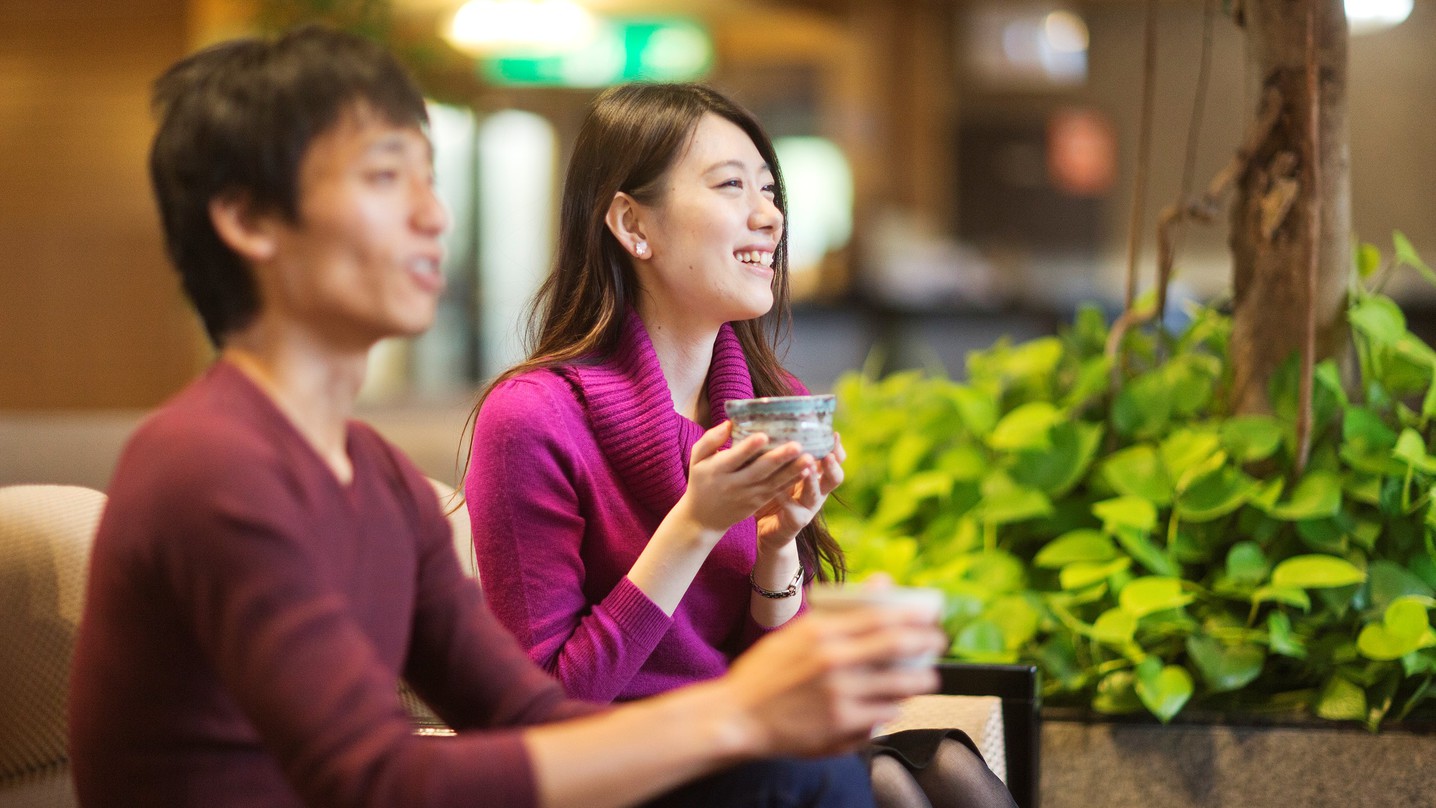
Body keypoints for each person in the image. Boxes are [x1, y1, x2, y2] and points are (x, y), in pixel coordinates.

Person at [65, 26, 947, 808]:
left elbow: (535, 718)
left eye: (429, 178)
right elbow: (369, 782)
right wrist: (742, 713)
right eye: (385, 178)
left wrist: (785, 664)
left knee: (879, 767)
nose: (435, 216)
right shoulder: (208, 463)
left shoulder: (374, 476)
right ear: (249, 220)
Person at [463, 83, 1018, 808]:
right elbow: (545, 711)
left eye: (768, 188)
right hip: (612, 774)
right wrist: (694, 525)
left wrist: (778, 545)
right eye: (732, 186)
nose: (770, 216)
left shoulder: (770, 399)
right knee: (832, 777)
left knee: (941, 764)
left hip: (745, 756)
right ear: (633, 225)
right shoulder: (534, 419)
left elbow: (780, 677)